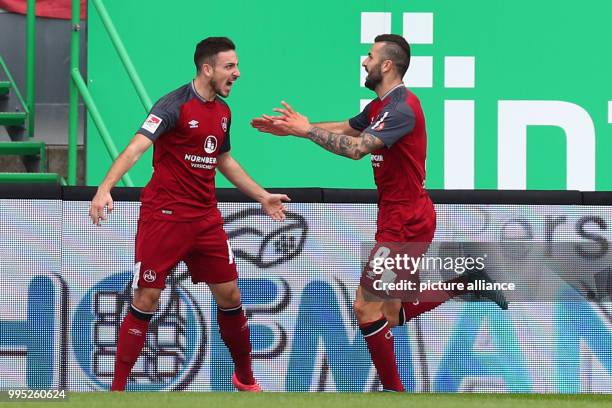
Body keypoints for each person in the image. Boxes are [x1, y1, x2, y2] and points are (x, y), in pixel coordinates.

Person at [252, 34, 506, 392]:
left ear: (387, 65)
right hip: (400, 215)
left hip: (405, 220)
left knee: (365, 308)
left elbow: (357, 149)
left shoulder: (403, 108)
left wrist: (307, 129)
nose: (364, 61)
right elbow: (346, 128)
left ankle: (393, 394)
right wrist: (294, 132)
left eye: (369, 56)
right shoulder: (380, 106)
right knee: (391, 313)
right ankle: (467, 282)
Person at [89, 36, 290, 392]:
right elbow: (136, 147)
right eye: (230, 67)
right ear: (207, 69)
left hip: (206, 220)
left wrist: (261, 196)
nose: (237, 73)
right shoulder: (172, 106)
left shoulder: (224, 112)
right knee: (147, 298)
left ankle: (246, 380)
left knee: (230, 296)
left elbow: (223, 159)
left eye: (237, 66)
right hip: (164, 216)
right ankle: (117, 392)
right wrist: (105, 187)